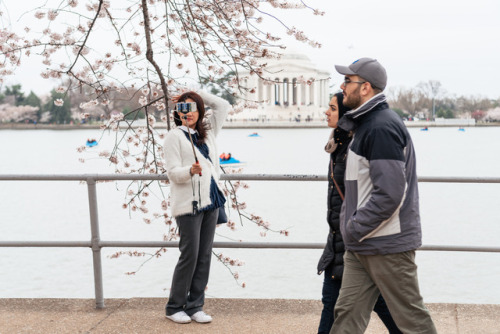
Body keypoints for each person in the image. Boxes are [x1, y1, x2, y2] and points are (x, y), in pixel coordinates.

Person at [330, 58, 437, 334]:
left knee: (412, 321)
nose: (342, 87)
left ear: (365, 88)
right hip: (363, 243)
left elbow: (389, 194)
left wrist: (353, 227)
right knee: (346, 316)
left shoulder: (380, 127)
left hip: (387, 243)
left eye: (348, 82)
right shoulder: (365, 124)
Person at [317, 92, 401, 334]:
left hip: (353, 242)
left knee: (339, 307)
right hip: (341, 243)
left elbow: (377, 194)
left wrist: (351, 230)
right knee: (386, 307)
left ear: (344, 115)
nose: (326, 112)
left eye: (332, 108)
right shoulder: (339, 145)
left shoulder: (354, 148)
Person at [163, 90, 230, 324]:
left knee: (204, 256)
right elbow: (172, 173)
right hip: (188, 204)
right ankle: (174, 306)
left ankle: (195, 305)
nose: (188, 113)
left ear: (200, 111)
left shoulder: (207, 133)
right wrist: (188, 171)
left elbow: (222, 105)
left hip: (211, 201)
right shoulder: (174, 137)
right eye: (182, 109)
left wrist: (191, 94)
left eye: (192, 108)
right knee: (189, 255)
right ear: (177, 114)